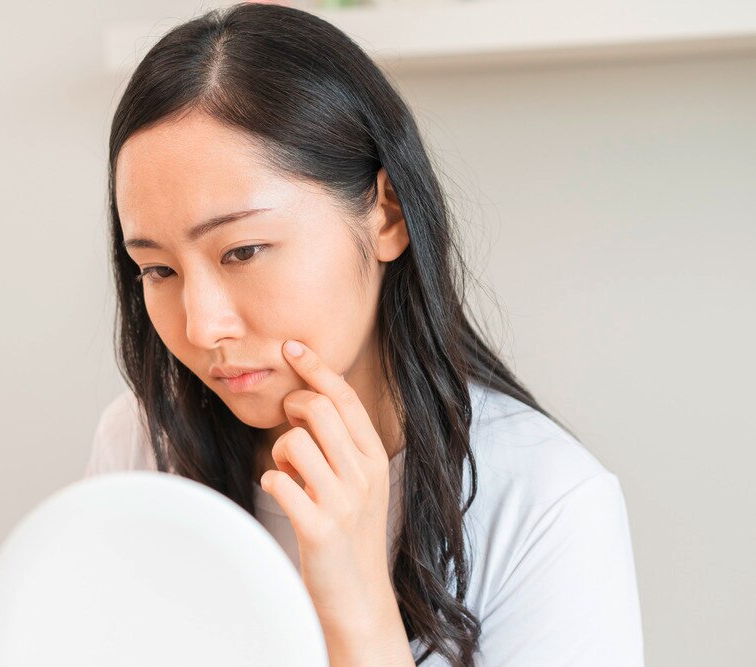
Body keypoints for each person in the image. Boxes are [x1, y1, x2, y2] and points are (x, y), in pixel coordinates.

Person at [85, 3, 643, 665]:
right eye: (157, 268)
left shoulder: (547, 501)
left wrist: (358, 606)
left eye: (243, 251)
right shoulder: (144, 447)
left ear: (387, 214)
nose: (203, 325)